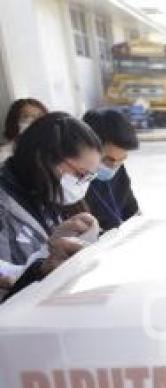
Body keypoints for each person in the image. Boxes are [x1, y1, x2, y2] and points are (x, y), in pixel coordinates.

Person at [0, 112, 101, 301]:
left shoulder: (40, 195)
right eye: (80, 175)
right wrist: (42, 268)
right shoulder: (5, 204)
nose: (82, 185)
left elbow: (25, 268)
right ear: (43, 158)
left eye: (89, 178)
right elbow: (6, 282)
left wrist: (53, 245)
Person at [81, 108, 141, 231]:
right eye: (108, 160)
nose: (114, 167)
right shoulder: (73, 184)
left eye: (121, 160)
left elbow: (133, 212)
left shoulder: (119, 173)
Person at [0, 98, 48, 163]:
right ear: (14, 121)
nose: (33, 121)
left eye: (38, 117)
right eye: (26, 117)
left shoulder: (50, 150)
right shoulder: (5, 155)